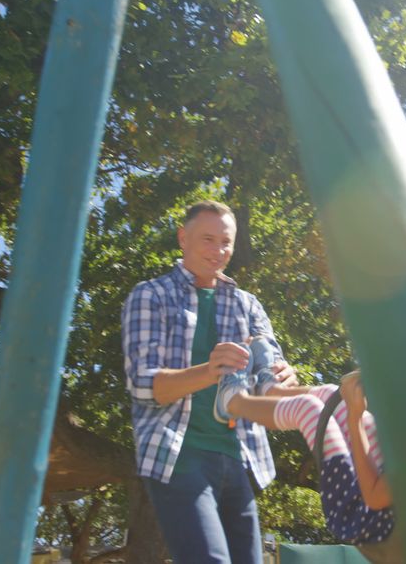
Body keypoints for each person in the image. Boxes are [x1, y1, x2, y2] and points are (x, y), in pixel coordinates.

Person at [122, 200, 297, 564]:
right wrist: (210, 369)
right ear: (183, 238)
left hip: (240, 457)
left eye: (226, 243)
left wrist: (284, 377)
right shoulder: (151, 295)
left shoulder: (247, 305)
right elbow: (143, 385)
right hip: (179, 455)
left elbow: (270, 376)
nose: (218, 251)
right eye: (208, 239)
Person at [213, 336, 398, 556]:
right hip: (389, 495)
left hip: (367, 518)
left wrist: (355, 417)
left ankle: (233, 401)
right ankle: (271, 391)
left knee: (308, 408)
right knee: (332, 394)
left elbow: (375, 498)